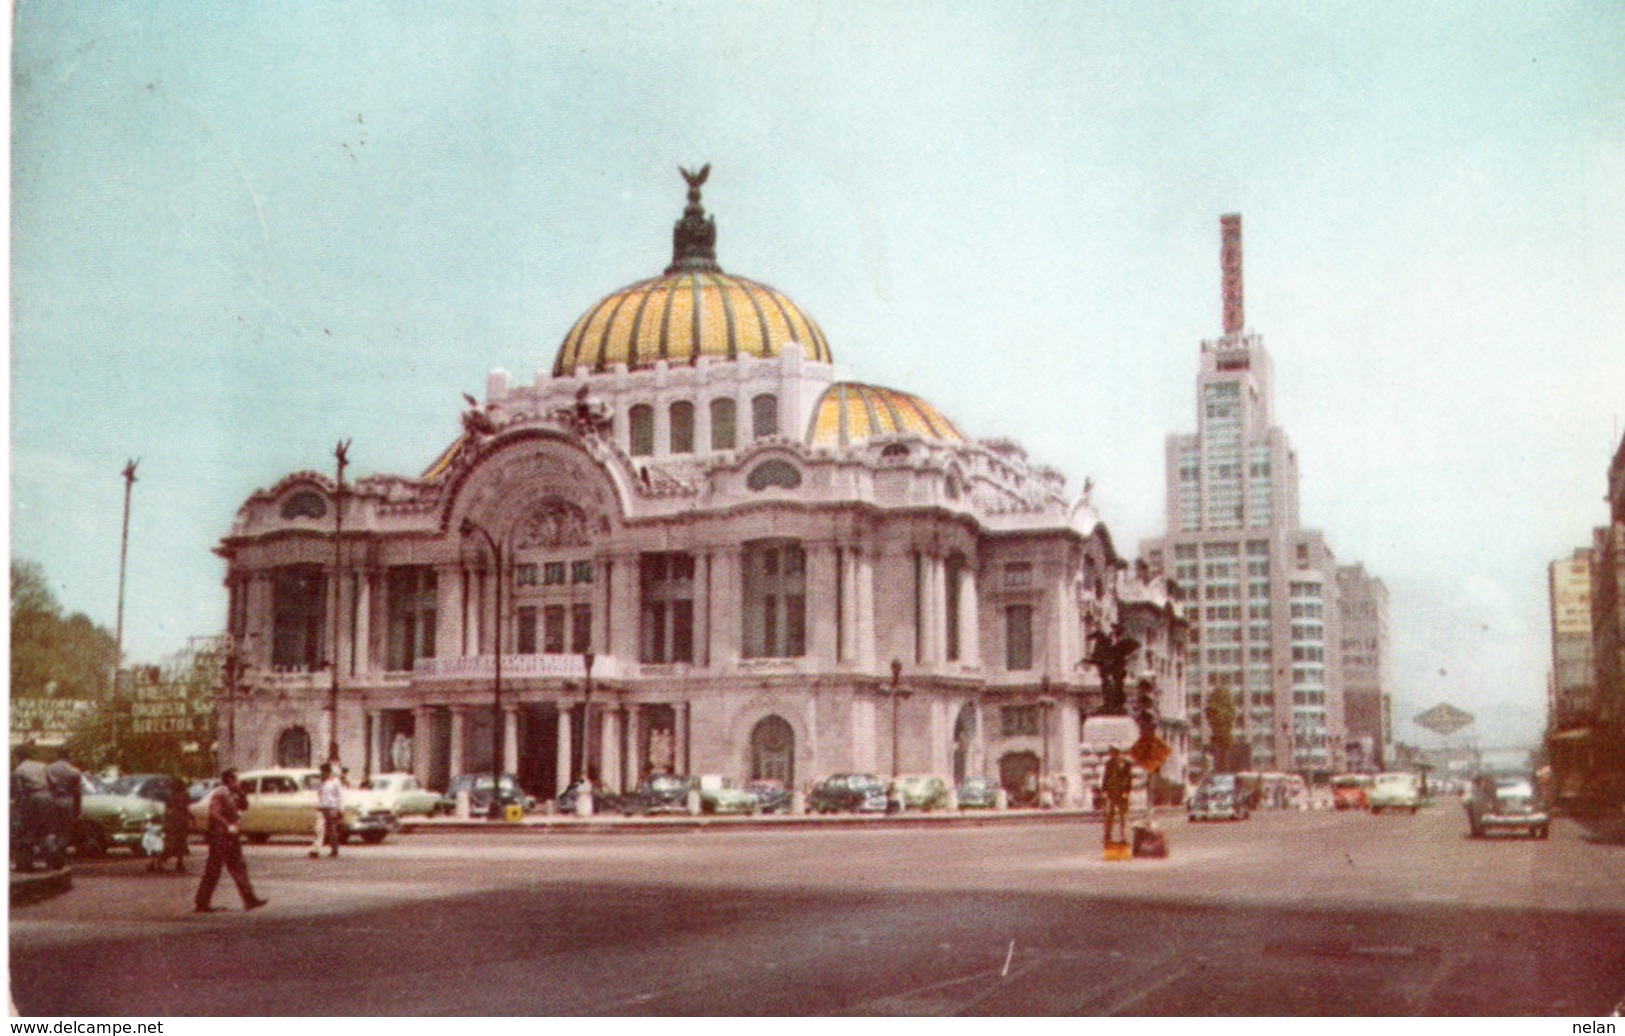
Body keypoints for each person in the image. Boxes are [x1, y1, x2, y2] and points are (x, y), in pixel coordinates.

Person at [194, 770, 267, 913]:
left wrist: (243, 794)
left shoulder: (234, 793)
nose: (239, 781)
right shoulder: (220, 793)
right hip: (219, 836)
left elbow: (243, 808)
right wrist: (228, 825)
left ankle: (249, 899)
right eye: (237, 778)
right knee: (213, 869)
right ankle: (202, 902)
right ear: (230, 780)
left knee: (238, 866)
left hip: (231, 836)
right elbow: (213, 813)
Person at [150, 779, 192, 874]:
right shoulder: (182, 795)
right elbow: (184, 807)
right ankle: (163, 862)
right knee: (176, 843)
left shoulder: (172, 796)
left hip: (175, 822)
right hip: (179, 822)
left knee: (176, 843)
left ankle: (174, 863)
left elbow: (170, 810)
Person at [43, 748, 83, 846]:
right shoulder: (75, 771)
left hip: (51, 800)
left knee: (51, 828)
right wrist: (77, 809)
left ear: (57, 755)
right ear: (69, 757)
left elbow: (43, 785)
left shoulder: (48, 769)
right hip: (67, 801)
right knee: (65, 829)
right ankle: (61, 851)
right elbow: (77, 792)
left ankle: (51, 850)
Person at [1101, 745, 1134, 848]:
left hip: (1122, 793)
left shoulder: (1126, 763)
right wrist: (1104, 790)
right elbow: (1105, 777)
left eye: (1113, 752)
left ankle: (1124, 836)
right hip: (1111, 792)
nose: (1112, 755)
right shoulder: (1109, 764)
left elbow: (1129, 779)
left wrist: (1126, 791)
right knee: (1108, 815)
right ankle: (1107, 836)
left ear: (1118, 752)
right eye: (1111, 753)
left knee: (1123, 816)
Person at [312, 763, 343, 859]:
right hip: (322, 808)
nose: (322, 773)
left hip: (331, 808)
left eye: (324, 772)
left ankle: (334, 850)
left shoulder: (335, 782)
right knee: (319, 829)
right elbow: (319, 795)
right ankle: (316, 850)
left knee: (333, 831)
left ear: (328, 772)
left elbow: (340, 796)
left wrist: (339, 809)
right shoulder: (321, 782)